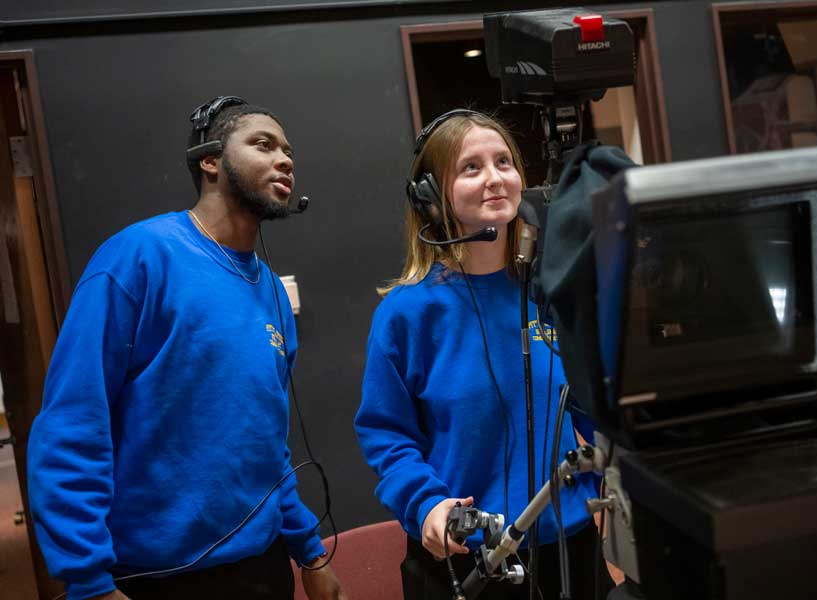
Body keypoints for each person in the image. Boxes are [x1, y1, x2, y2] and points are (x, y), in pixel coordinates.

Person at [27, 96, 345, 600]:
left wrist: (309, 551)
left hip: (261, 570)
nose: (285, 159)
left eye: (288, 151)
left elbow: (266, 447)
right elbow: (72, 424)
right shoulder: (138, 257)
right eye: (263, 145)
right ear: (210, 159)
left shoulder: (272, 295)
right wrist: (87, 580)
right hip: (153, 578)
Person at [354, 110, 615, 599]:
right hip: (469, 561)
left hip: (569, 548)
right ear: (431, 197)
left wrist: (608, 469)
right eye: (471, 168)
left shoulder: (549, 293)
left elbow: (589, 403)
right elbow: (386, 435)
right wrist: (426, 504)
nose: (495, 178)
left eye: (504, 162)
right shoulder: (408, 313)